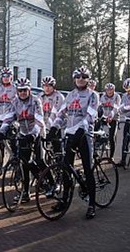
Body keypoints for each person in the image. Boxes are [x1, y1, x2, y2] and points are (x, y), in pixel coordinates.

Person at [47, 66, 99, 219]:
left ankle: (92, 205)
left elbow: (90, 115)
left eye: (84, 77)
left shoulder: (93, 95)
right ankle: (64, 200)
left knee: (88, 169)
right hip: (70, 134)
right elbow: (61, 113)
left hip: (84, 135)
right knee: (65, 169)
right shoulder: (70, 95)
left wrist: (81, 128)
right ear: (74, 79)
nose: (81, 79)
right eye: (78, 77)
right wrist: (53, 128)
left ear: (88, 79)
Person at [0, 77, 46, 203]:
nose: (22, 93)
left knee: (39, 160)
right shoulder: (15, 102)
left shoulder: (35, 101)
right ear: (17, 91)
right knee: (25, 164)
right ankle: (25, 192)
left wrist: (34, 134)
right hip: (24, 133)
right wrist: (2, 131)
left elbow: (39, 119)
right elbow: (8, 117)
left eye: (25, 90)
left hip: (36, 132)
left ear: (29, 90)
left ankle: (50, 183)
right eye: (20, 90)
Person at [38, 76, 65, 151]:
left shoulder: (58, 96)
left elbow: (54, 113)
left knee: (57, 147)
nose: (47, 88)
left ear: (53, 86)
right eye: (45, 86)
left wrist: (47, 128)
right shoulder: (40, 96)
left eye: (49, 86)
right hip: (43, 125)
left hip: (56, 125)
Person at [99, 83, 121, 159]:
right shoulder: (103, 96)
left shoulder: (117, 96)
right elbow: (100, 107)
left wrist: (111, 115)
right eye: (108, 90)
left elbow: (116, 107)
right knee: (97, 131)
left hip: (114, 118)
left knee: (112, 137)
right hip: (104, 116)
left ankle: (111, 156)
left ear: (114, 90)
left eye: (111, 90)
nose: (109, 92)